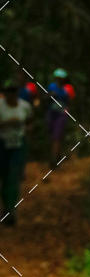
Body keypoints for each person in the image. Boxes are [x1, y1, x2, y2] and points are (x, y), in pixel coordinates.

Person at [0, 81, 32, 225]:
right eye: (9, 91)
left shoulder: (24, 106)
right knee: (4, 177)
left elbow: (30, 122)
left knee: (13, 178)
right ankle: (6, 206)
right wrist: (8, 123)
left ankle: (10, 211)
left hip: (18, 145)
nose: (11, 94)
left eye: (13, 91)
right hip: (2, 144)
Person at [46, 67, 75, 166]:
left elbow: (71, 101)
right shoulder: (52, 86)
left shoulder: (68, 88)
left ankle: (53, 160)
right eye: (58, 78)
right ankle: (57, 155)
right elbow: (46, 98)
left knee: (57, 136)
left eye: (61, 78)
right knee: (52, 135)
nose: (59, 79)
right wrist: (50, 95)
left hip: (62, 114)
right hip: (51, 113)